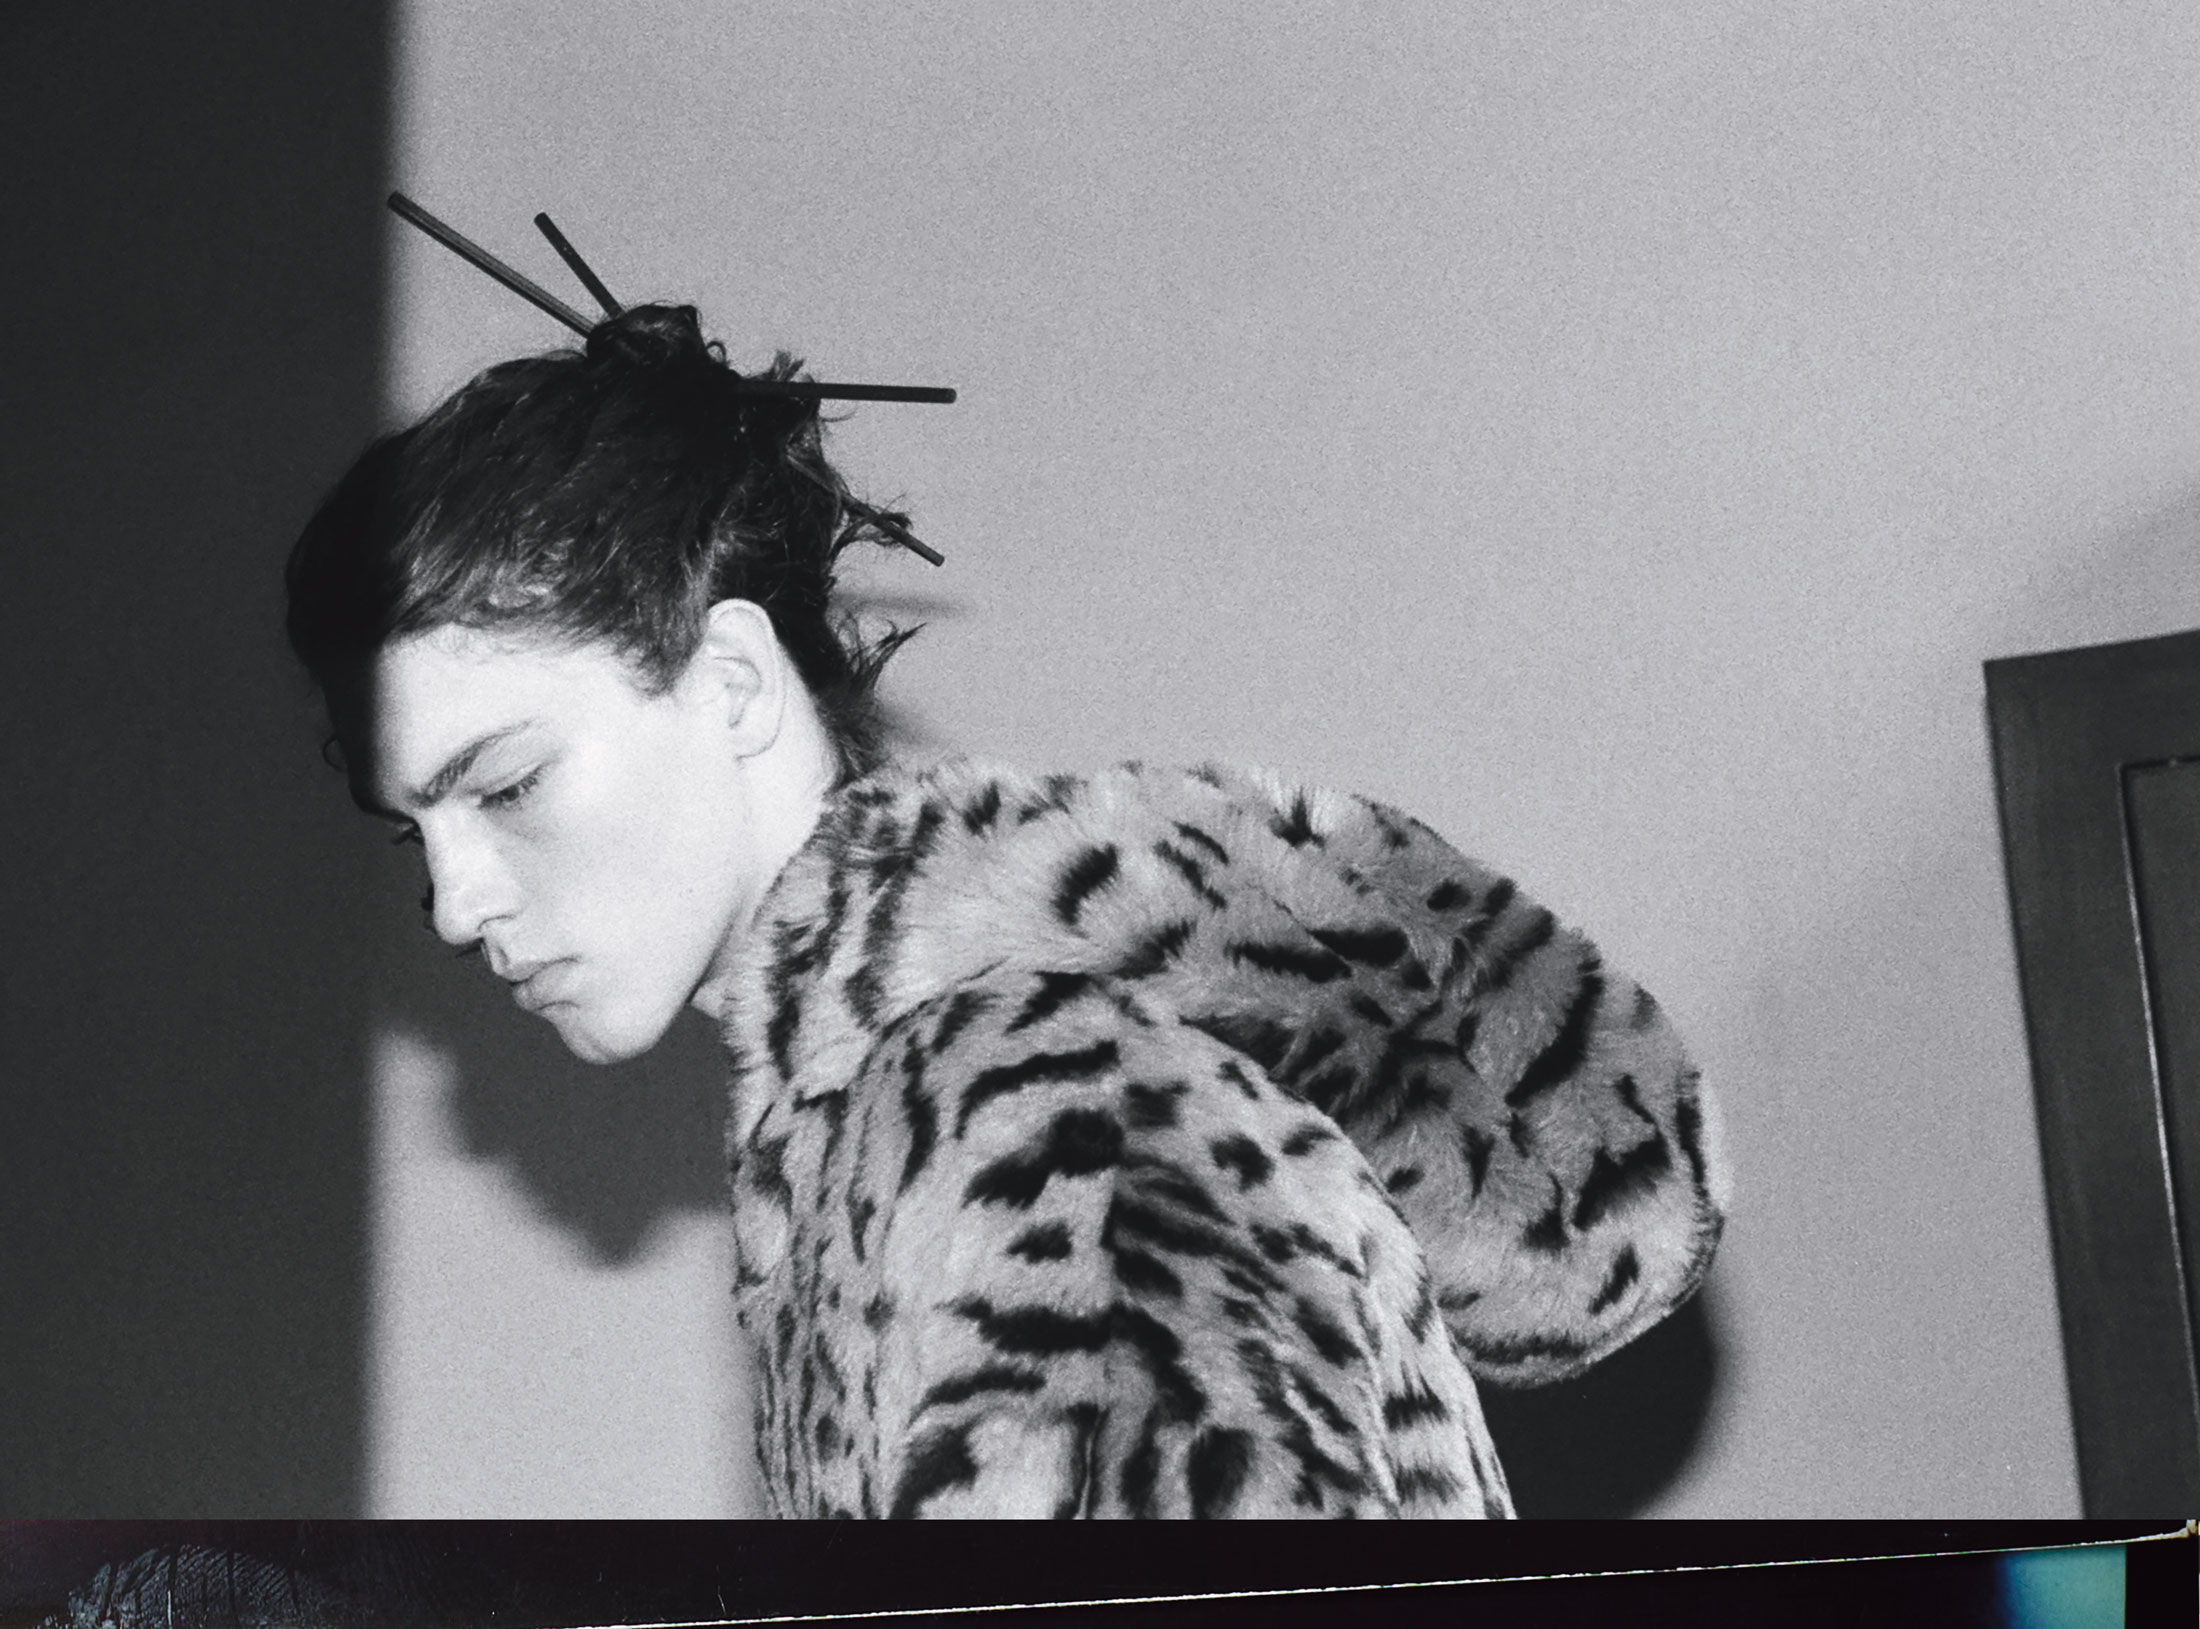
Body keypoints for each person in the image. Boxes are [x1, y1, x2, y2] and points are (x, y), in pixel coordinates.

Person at [287, 302, 1727, 1518]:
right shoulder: (897, 1125)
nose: (453, 902)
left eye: (508, 784)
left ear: (729, 686)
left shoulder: (1042, 1110)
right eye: (416, 830)